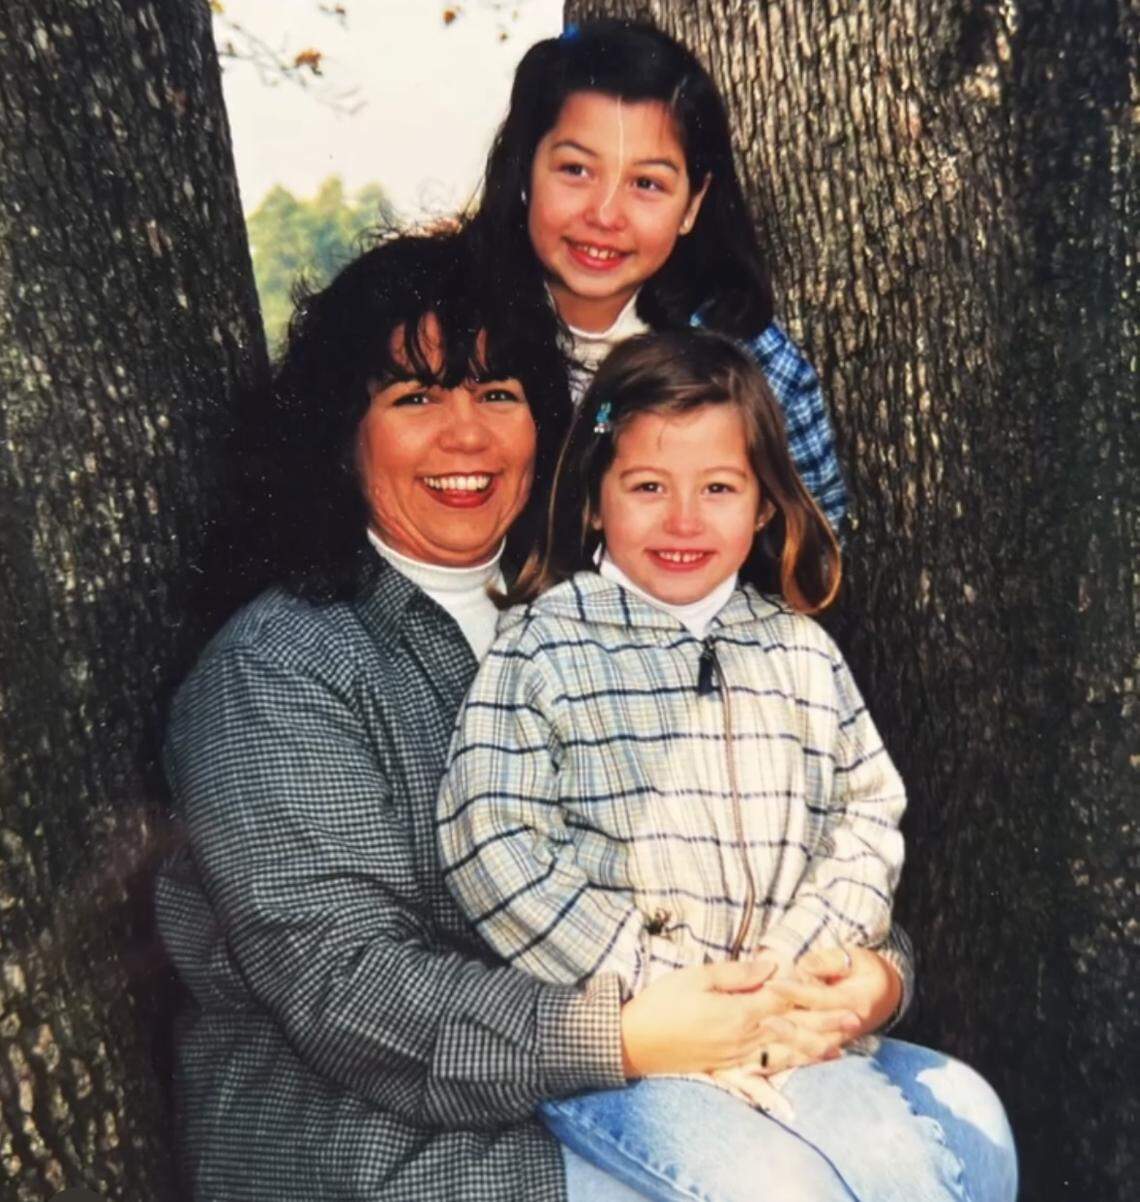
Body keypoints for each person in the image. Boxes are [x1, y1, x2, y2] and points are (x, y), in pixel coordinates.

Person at [154, 231, 871, 1202]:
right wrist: (624, 1030)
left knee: (968, 1133)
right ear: (339, 431)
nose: (467, 436)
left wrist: (868, 979)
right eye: (415, 396)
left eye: (498, 393)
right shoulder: (277, 669)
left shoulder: (620, 610)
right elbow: (348, 984)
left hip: (672, 1069)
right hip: (393, 1148)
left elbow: (801, 834)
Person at [438, 329, 1018, 1202]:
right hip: (639, 1054)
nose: (683, 520)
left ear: (763, 505)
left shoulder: (798, 650)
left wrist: (789, 980)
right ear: (596, 500)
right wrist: (662, 990)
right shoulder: (543, 646)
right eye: (647, 487)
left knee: (906, 1174)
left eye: (718, 488)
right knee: (777, 1191)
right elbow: (491, 841)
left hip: (793, 1026)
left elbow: (864, 817)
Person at [467, 18, 848, 532]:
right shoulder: (446, 331)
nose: (605, 215)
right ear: (525, 172)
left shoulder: (754, 363)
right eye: (576, 170)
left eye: (646, 183)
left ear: (692, 204)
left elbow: (813, 549)